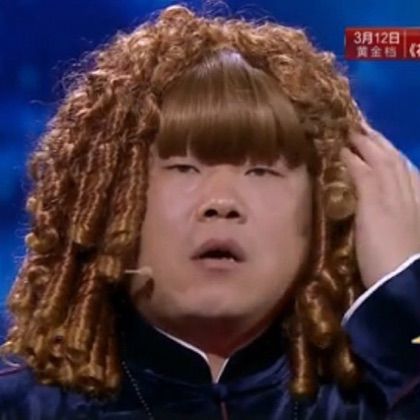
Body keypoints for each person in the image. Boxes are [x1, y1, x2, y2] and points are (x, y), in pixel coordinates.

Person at [0, 4, 419, 419]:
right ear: (108, 204)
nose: (222, 203)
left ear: (324, 216)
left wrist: (405, 299)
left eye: (262, 171)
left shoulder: (388, 391)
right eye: (183, 167)